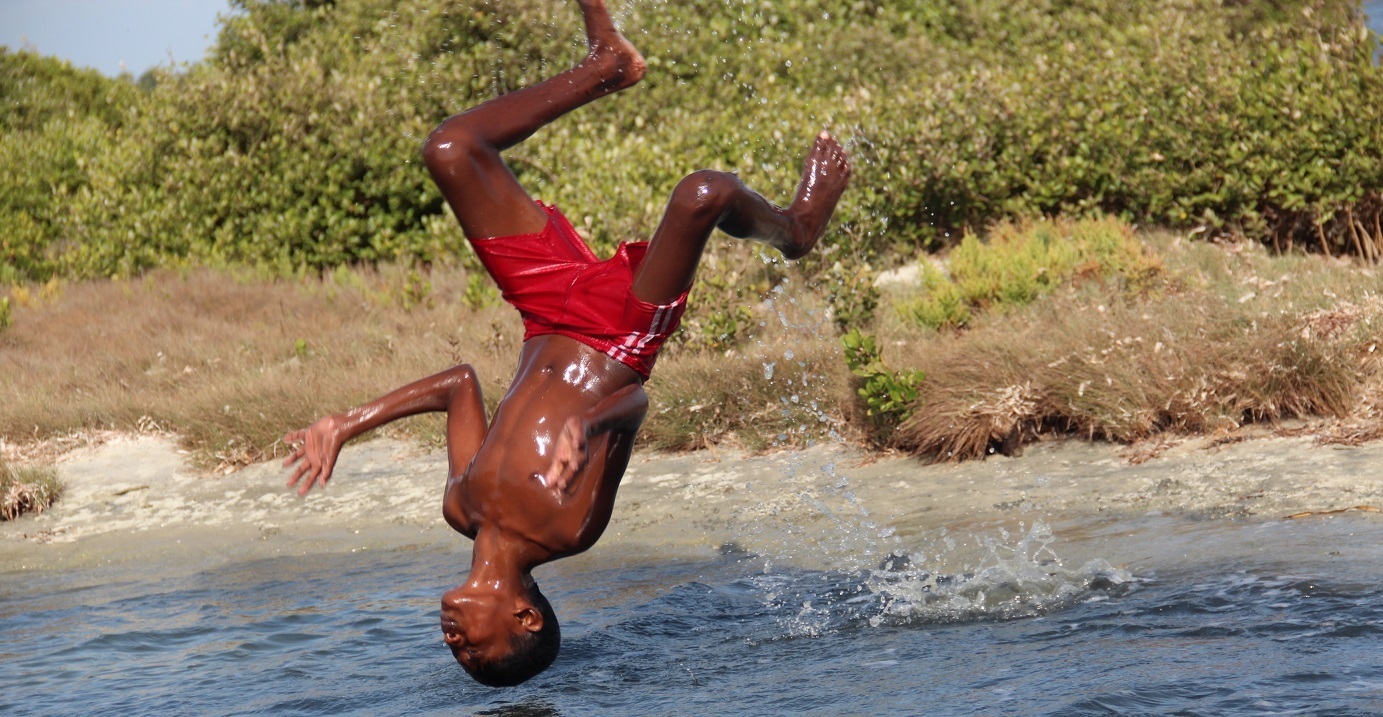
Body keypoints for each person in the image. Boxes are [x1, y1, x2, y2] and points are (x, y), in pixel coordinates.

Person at [281, 0, 850, 687]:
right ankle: (794, 230)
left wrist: (348, 421)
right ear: (524, 618)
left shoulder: (459, 507)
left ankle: (605, 67)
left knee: (451, 150)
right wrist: (588, 421)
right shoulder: (565, 527)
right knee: (704, 193)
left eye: (456, 654)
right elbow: (634, 402)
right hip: (617, 336)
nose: (454, 642)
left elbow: (457, 382)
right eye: (474, 651)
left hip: (543, 312)